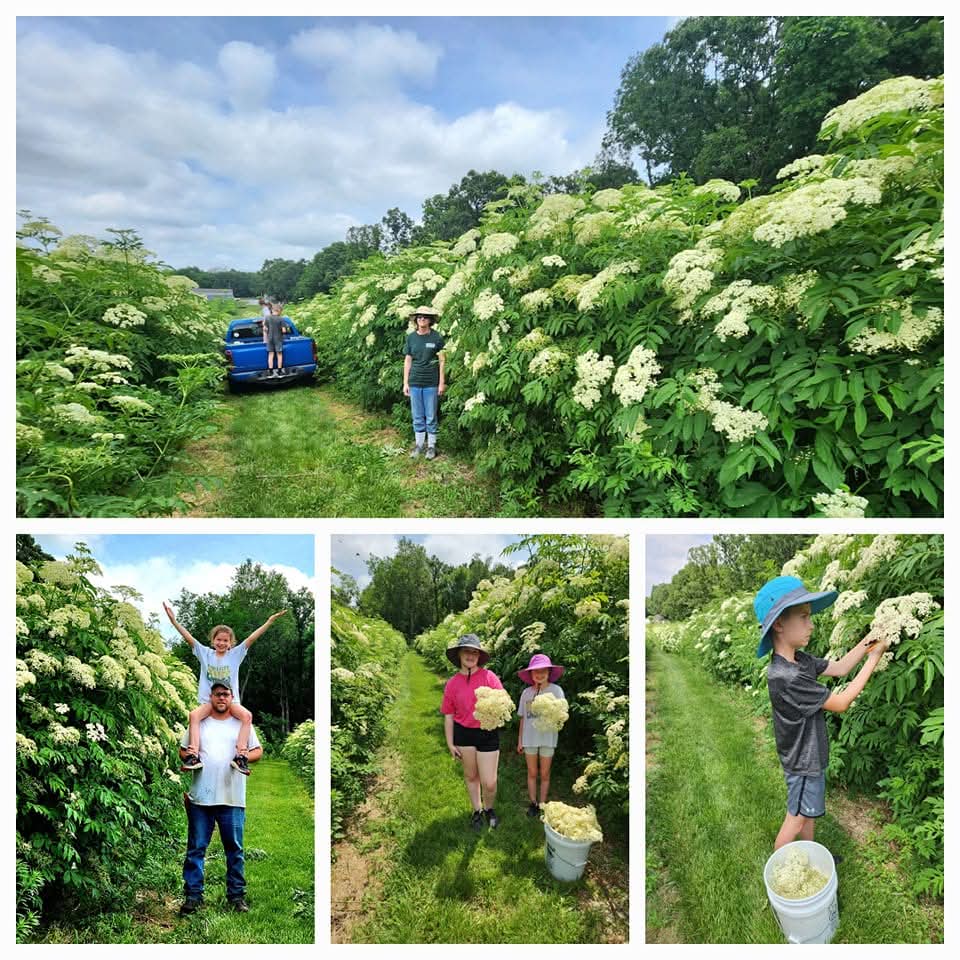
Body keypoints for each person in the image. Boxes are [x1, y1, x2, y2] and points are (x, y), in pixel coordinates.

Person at [755, 575, 889, 851]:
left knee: (808, 813)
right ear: (779, 624)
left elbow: (840, 668)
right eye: (803, 617)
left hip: (810, 755)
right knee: (796, 817)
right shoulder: (786, 676)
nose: (811, 624)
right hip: (802, 761)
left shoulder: (800, 660)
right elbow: (840, 704)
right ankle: (779, 869)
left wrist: (868, 641)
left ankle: (811, 854)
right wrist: (874, 660)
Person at [164, 601, 286, 775]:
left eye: (225, 640)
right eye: (218, 639)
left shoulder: (235, 655)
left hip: (231, 702)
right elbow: (188, 638)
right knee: (194, 716)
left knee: (247, 716)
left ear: (231, 643)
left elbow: (252, 638)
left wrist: (269, 622)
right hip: (209, 701)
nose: (221, 643)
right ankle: (193, 756)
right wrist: (174, 622)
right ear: (213, 641)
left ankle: (241, 757)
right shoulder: (205, 653)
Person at [179, 680, 262, 915]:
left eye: (225, 694)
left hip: (232, 797)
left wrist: (245, 755)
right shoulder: (200, 723)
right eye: (217, 694)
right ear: (210, 698)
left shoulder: (241, 724)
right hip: (201, 798)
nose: (221, 698)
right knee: (196, 848)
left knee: (234, 849)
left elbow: (258, 750)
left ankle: (237, 896)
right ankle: (193, 897)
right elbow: (182, 750)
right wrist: (190, 754)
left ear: (231, 697)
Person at [440, 635, 503, 830]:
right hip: (464, 734)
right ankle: (477, 810)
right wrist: (450, 743)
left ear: (479, 656)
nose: (470, 655)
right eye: (466, 651)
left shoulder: (489, 677)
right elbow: (448, 715)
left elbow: (503, 701)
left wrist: (496, 709)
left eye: (474, 652)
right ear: (459, 654)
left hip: (487, 733)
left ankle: (489, 808)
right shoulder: (452, 683)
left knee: (489, 782)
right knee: (471, 776)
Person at [515, 653, 566, 816]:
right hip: (529, 739)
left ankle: (543, 804)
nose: (540, 674)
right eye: (536, 671)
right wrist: (520, 740)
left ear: (549, 673)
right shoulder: (526, 693)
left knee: (544, 773)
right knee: (532, 772)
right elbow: (523, 718)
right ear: (530, 674)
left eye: (544, 670)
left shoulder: (556, 691)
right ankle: (533, 803)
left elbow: (561, 715)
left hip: (548, 739)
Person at [402, 305, 445, 460]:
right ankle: (419, 445)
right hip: (414, 382)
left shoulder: (437, 338)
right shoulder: (411, 338)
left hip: (431, 382)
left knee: (431, 416)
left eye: (425, 317)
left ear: (430, 320)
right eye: (419, 317)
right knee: (417, 415)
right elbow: (407, 361)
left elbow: (442, 361)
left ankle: (432, 447)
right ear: (415, 320)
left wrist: (441, 383)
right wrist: (405, 383)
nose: (422, 319)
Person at [263, 301, 286, 376]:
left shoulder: (267, 318)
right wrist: (284, 330)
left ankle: (270, 371)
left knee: (270, 355)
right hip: (278, 339)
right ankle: (279, 371)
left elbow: (265, 329)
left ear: (272, 310)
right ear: (279, 311)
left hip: (270, 339)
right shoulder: (281, 319)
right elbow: (284, 331)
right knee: (279, 355)